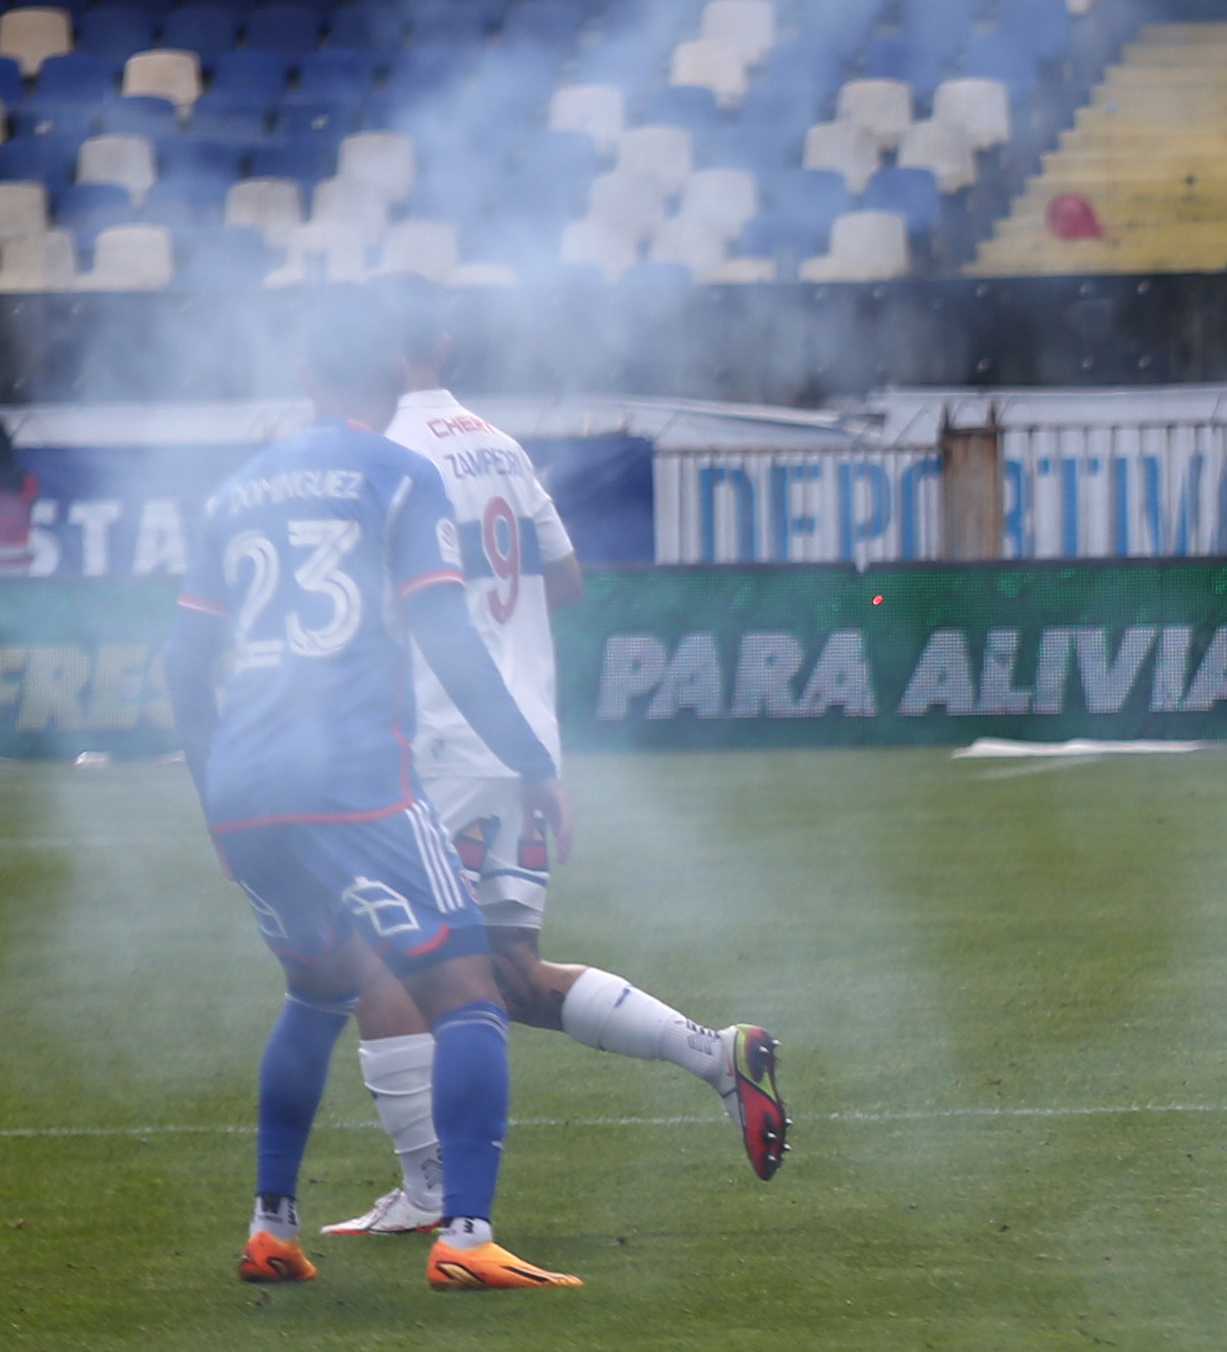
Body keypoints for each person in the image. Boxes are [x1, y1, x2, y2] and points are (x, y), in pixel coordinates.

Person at [319, 313, 785, 1242]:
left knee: (367, 955)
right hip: (526, 737)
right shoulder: (498, 446)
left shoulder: (386, 456)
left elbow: (392, 610)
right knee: (509, 973)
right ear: (444, 347)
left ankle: (430, 1192)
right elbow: (565, 581)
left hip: (441, 738)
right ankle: (716, 1055)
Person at [163, 294, 579, 1292]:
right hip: (356, 778)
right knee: (469, 990)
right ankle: (467, 1234)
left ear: (304, 374)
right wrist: (533, 759)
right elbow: (446, 636)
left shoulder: (236, 491)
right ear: (397, 376)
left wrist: (217, 797)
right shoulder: (399, 473)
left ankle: (272, 1224)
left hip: (249, 782)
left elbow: (182, 663)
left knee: (317, 989)